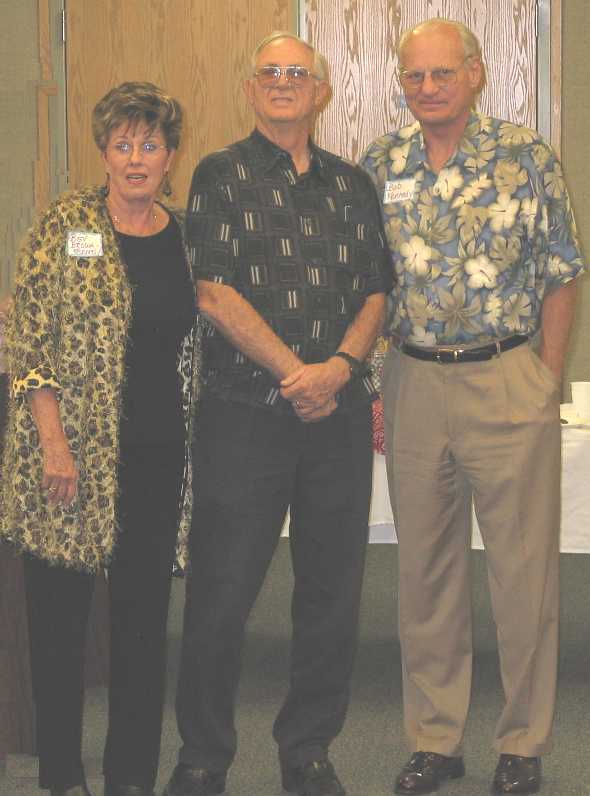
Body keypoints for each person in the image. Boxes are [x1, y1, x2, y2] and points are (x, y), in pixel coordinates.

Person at [360, 17, 586, 796]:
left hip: (505, 377)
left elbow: (563, 272)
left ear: (477, 73)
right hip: (414, 381)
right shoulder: (381, 163)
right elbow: (369, 287)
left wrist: (545, 380)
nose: (426, 89)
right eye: (413, 76)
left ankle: (521, 744)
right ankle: (436, 740)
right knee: (424, 575)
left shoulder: (526, 158)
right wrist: (373, 386)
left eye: (441, 75)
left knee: (523, 577)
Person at [163, 31, 392, 796]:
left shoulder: (352, 185)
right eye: (270, 73)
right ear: (251, 88)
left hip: (339, 418)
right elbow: (213, 291)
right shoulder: (219, 175)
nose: (284, 83)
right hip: (244, 416)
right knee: (222, 592)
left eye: (299, 73)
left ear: (321, 91)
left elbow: (376, 292)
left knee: (331, 592)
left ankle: (309, 750)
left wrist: (341, 370)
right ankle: (202, 755)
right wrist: (299, 373)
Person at [0, 82, 200, 796]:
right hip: (68, 461)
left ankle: (129, 780)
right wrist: (54, 442)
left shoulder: (183, 238)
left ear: (170, 155)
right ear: (104, 152)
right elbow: (25, 340)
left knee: (143, 630)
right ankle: (61, 776)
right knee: (59, 625)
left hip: (154, 458)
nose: (136, 158)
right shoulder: (65, 224)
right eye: (123, 144)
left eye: (150, 144)